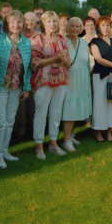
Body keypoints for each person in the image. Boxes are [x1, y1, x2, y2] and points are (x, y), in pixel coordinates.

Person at [0, 10, 32, 168]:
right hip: (0, 85)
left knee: (9, 120)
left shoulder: (26, 42)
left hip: (16, 86)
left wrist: (26, 87)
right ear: (7, 24)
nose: (16, 25)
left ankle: (5, 150)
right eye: (12, 22)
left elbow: (28, 68)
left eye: (19, 21)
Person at [31, 11, 70, 158]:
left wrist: (64, 59)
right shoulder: (38, 39)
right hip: (43, 81)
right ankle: (39, 145)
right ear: (43, 23)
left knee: (56, 112)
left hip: (61, 80)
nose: (52, 24)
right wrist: (55, 59)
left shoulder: (62, 39)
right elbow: (35, 63)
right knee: (41, 113)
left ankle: (53, 143)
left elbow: (68, 62)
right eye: (49, 21)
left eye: (54, 21)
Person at [90, 16, 112, 142]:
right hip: (100, 75)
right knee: (99, 104)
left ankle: (110, 130)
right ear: (98, 27)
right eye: (103, 25)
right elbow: (98, 59)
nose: (106, 28)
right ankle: (98, 131)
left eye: (108, 25)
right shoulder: (94, 42)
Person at [61, 17, 92, 151]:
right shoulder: (63, 41)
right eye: (72, 26)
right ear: (68, 27)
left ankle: (71, 135)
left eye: (78, 26)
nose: (75, 29)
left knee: (78, 108)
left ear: (81, 28)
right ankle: (66, 140)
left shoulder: (84, 43)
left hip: (82, 79)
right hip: (68, 80)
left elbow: (88, 62)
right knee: (69, 109)